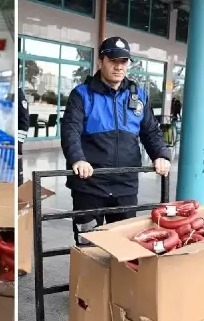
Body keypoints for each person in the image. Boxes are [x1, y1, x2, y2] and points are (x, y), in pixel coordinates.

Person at [60, 36, 171, 244]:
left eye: (123, 62)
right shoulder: (82, 95)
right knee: (88, 245)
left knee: (124, 245)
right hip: (89, 185)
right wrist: (78, 159)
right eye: (113, 60)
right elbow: (70, 130)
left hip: (125, 186)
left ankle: (118, 278)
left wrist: (161, 155)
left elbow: (151, 131)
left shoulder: (138, 96)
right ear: (100, 61)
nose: (119, 67)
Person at [17, 87, 29, 186]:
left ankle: (19, 187)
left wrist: (19, 140)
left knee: (18, 165)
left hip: (18, 136)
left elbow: (24, 120)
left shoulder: (19, 95)